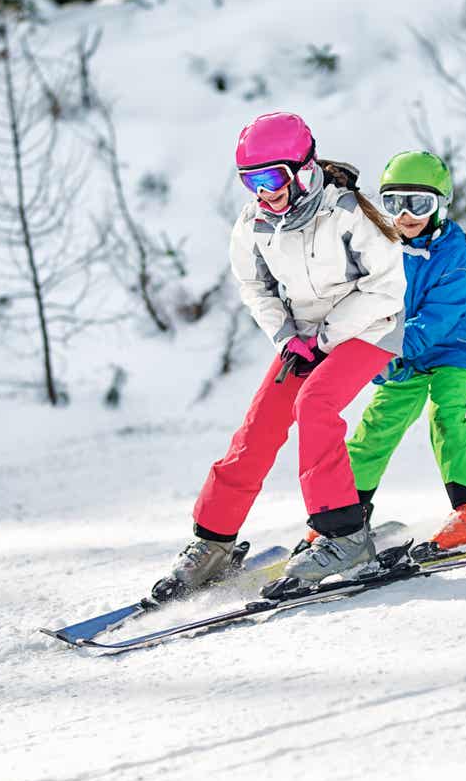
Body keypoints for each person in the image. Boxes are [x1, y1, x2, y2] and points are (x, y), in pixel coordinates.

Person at [160, 112, 408, 596]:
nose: (262, 191)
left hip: (369, 328)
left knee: (314, 404)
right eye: (250, 180)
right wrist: (284, 336)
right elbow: (255, 285)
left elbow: (386, 289)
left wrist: (326, 337)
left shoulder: (348, 212)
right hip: (304, 335)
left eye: (271, 177)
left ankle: (345, 536)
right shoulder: (254, 221)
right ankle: (213, 542)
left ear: (302, 168)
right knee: (259, 425)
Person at [339, 151, 466, 551]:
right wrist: (370, 349)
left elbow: (439, 318)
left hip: (453, 353)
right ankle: (343, 522)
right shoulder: (380, 249)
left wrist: (389, 352)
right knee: (374, 429)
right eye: (394, 203)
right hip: (402, 359)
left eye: (420, 204)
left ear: (441, 207)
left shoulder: (455, 255)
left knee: (446, 415)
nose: (406, 215)